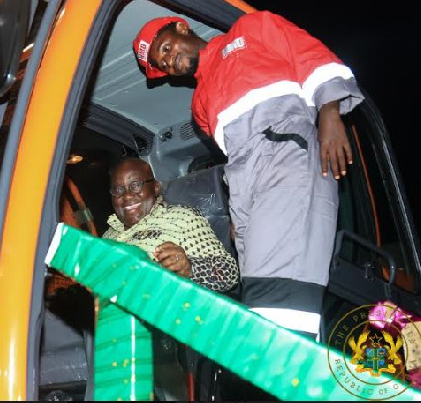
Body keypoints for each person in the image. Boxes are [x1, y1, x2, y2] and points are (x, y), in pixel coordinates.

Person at [132, 10, 365, 339]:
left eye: (166, 48)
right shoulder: (199, 105)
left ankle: (284, 364)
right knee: (257, 291)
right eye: (162, 63)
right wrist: (238, 217)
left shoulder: (250, 29)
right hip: (244, 185)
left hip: (285, 157)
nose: (169, 62)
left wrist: (330, 114)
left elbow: (310, 55)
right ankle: (278, 367)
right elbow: (235, 157)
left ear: (181, 28)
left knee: (281, 293)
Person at [102, 157, 239, 401]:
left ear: (154, 187)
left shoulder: (181, 219)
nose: (126, 196)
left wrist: (189, 267)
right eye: (118, 190)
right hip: (109, 333)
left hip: (165, 332)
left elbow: (228, 272)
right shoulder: (107, 235)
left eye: (135, 185)